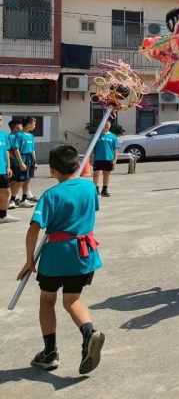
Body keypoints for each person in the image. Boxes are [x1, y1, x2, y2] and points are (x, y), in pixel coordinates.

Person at [16, 144, 105, 374]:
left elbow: (34, 229)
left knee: (47, 300)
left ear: (53, 170)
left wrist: (29, 260)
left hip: (57, 256)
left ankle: (50, 352)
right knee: (72, 300)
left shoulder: (51, 195)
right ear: (78, 165)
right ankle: (89, 334)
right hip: (83, 254)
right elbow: (91, 211)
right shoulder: (90, 188)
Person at [10, 118, 35, 208]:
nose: (35, 126)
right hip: (22, 160)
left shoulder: (31, 136)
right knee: (19, 181)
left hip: (30, 160)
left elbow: (32, 149)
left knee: (27, 181)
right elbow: (16, 149)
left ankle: (24, 200)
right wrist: (20, 163)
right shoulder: (19, 135)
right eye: (34, 124)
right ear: (29, 124)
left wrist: (35, 161)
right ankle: (12, 200)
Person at [91, 120, 119, 198]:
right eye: (104, 124)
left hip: (108, 158)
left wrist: (115, 159)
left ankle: (104, 190)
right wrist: (91, 157)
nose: (106, 126)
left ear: (110, 125)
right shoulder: (96, 135)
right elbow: (91, 148)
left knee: (106, 174)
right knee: (96, 174)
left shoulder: (113, 136)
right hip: (98, 158)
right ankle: (95, 191)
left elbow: (115, 149)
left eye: (107, 124)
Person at [0, 112, 19, 223]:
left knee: (6, 192)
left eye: (0, 120)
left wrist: (9, 167)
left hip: (2, 169)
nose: (0, 122)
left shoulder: (4, 135)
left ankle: (3, 216)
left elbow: (6, 151)